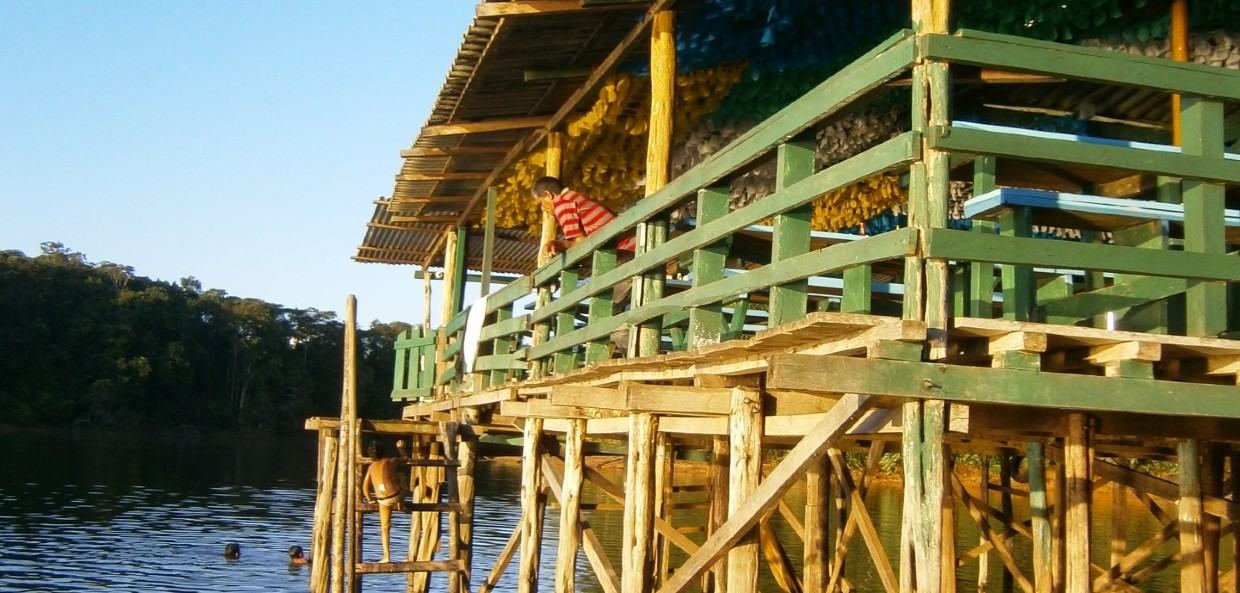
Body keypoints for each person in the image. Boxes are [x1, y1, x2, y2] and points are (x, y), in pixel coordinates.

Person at [531, 176, 636, 257]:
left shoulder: (562, 202)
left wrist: (558, 245)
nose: (543, 209)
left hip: (626, 251)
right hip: (629, 245)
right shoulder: (574, 196)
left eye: (541, 203)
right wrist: (559, 245)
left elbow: (579, 244)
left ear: (549, 195)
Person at [361, 442, 405, 563]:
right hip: (396, 495)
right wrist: (401, 449)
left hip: (383, 500)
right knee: (401, 476)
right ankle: (401, 505)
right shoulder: (390, 461)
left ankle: (386, 556)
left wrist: (370, 499)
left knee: (385, 527)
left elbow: (365, 488)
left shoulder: (370, 467)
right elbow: (406, 459)